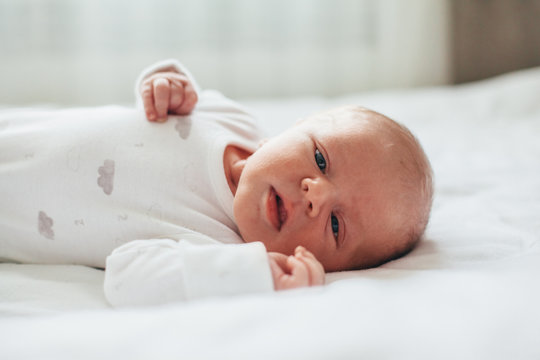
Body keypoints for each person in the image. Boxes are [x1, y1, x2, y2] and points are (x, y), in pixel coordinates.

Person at [0, 59, 433, 306]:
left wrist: (249, 274)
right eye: (320, 158)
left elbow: (127, 278)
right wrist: (165, 84)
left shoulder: (218, 248)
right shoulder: (233, 119)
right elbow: (164, 91)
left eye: (336, 226)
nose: (315, 195)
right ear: (293, 127)